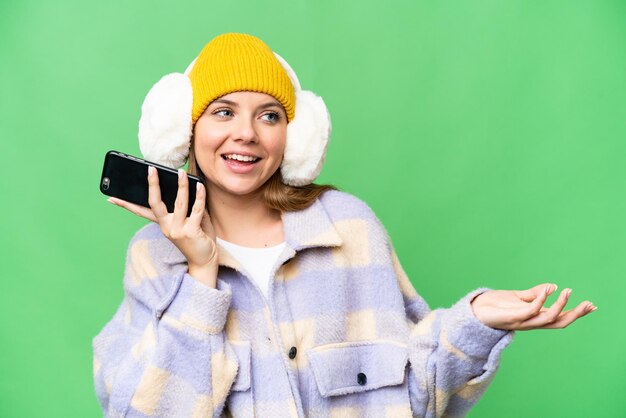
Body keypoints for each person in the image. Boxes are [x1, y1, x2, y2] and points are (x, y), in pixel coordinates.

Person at [93, 33, 596, 417]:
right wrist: (201, 273)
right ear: (186, 128)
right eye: (223, 112)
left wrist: (477, 319)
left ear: (295, 135)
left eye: (269, 116)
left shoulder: (348, 227)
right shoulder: (155, 255)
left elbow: (413, 395)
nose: (246, 133)